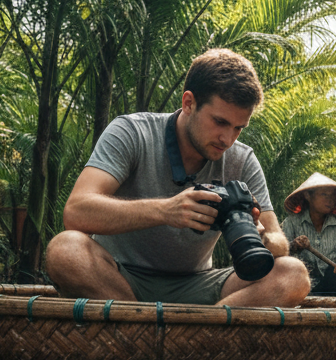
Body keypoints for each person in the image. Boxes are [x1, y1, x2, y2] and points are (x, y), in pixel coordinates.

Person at [45, 49, 310, 307]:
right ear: (188, 103)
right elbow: (76, 212)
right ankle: (159, 330)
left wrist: (260, 236)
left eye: (238, 128)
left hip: (200, 284)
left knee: (293, 273)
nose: (228, 139)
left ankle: (195, 332)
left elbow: (278, 242)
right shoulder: (132, 132)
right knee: (65, 249)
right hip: (119, 281)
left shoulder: (242, 159)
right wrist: (166, 210)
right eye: (219, 122)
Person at [282, 173, 336, 296]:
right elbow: (281, 256)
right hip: (301, 286)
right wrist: (294, 246)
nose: (330, 200)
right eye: (324, 194)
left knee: (333, 274)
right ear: (308, 196)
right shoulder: (291, 222)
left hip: (334, 287)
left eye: (332, 196)